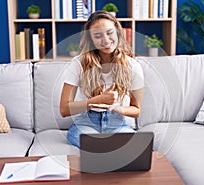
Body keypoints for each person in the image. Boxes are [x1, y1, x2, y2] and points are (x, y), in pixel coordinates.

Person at [60, 10, 144, 147]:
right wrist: (96, 101)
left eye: (110, 33)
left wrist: (115, 108)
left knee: (137, 147)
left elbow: (136, 110)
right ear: (91, 40)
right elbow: (64, 109)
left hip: (117, 123)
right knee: (98, 147)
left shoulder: (133, 66)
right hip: (85, 123)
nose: (105, 40)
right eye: (98, 36)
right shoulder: (78, 64)